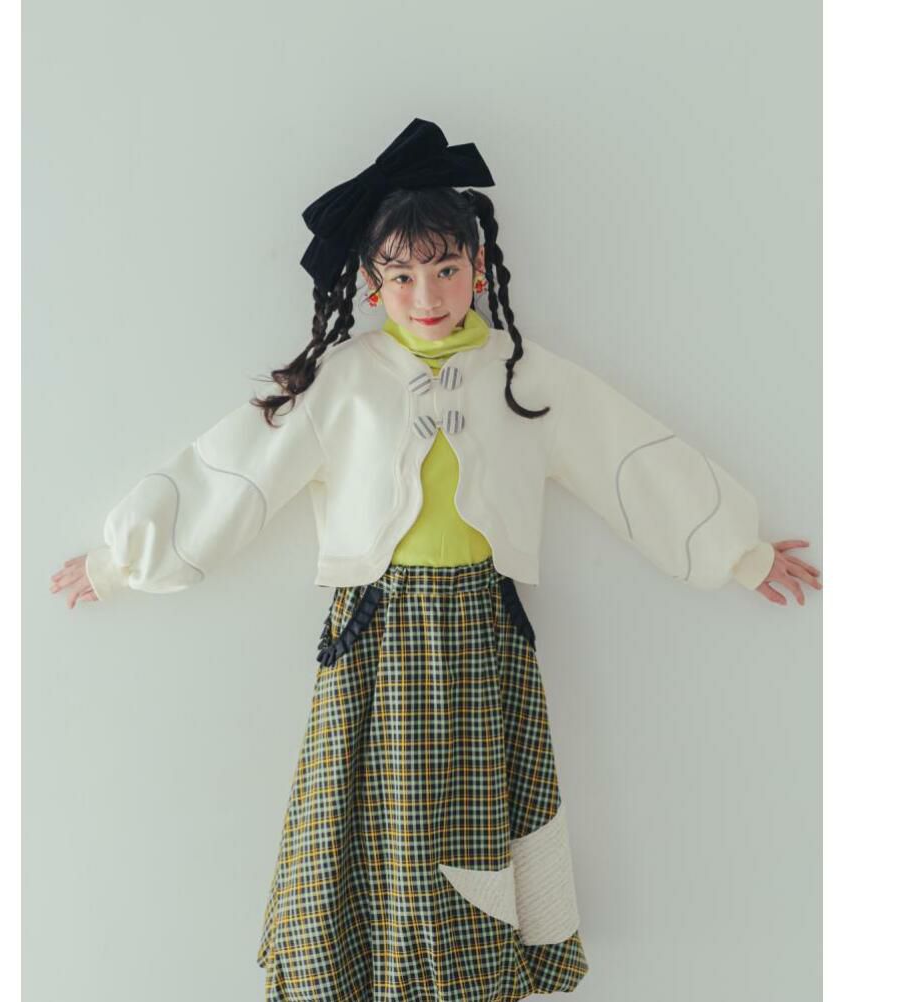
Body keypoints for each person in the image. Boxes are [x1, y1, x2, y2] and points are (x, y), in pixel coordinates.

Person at [49, 118, 821, 1001]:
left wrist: (737, 551)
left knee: (469, 821)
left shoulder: (518, 372)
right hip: (375, 631)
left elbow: (623, 455)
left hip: (485, 629)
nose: (428, 293)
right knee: (368, 817)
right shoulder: (344, 382)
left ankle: (467, 978)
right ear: (372, 287)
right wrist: (122, 560)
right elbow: (241, 470)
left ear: (478, 270)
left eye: (446, 269)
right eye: (403, 276)